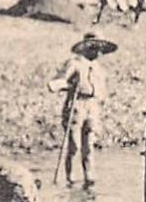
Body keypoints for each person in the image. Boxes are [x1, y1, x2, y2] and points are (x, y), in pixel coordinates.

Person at [47, 32, 116, 188]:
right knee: (74, 145)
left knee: (89, 144)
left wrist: (101, 99)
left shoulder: (98, 68)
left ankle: (89, 175)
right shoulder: (75, 63)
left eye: (100, 49)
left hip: (92, 107)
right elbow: (58, 82)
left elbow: (102, 89)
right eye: (96, 48)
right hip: (76, 105)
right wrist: (68, 85)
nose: (99, 52)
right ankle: (69, 176)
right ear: (88, 48)